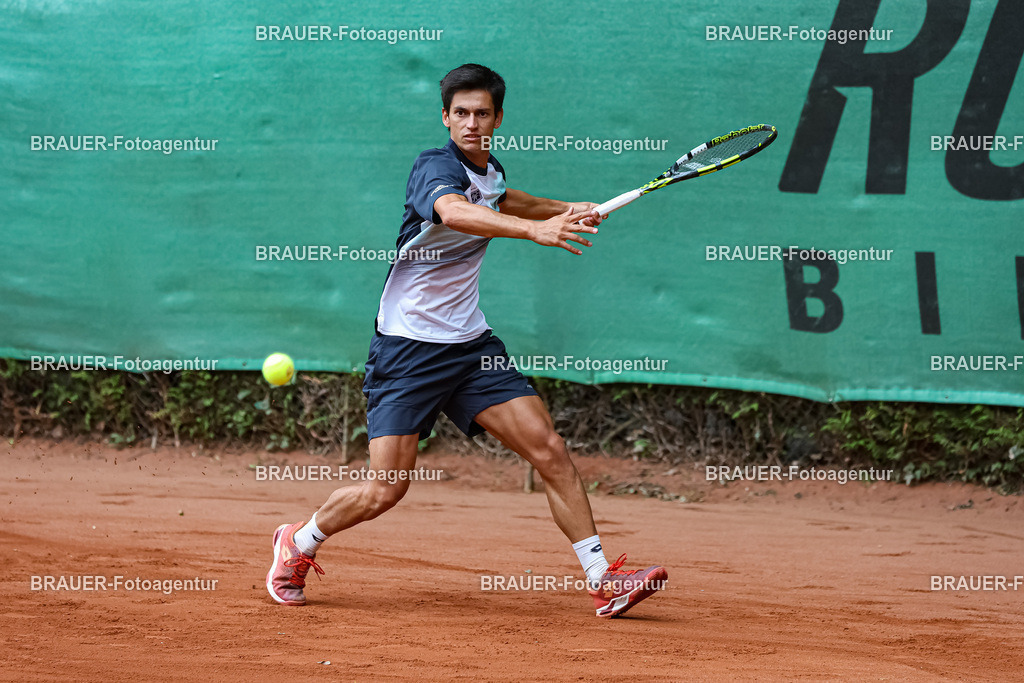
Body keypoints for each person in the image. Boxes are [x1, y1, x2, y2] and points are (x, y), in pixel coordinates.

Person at [267, 63, 666, 618]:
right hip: (408, 350)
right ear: (447, 119)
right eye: (461, 114)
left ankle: (603, 579)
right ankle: (299, 542)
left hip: (470, 345)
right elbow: (454, 210)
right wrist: (535, 231)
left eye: (483, 113)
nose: (472, 123)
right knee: (385, 490)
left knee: (549, 449)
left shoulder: (490, 169)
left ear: (498, 118)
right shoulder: (434, 167)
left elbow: (505, 197)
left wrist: (564, 209)